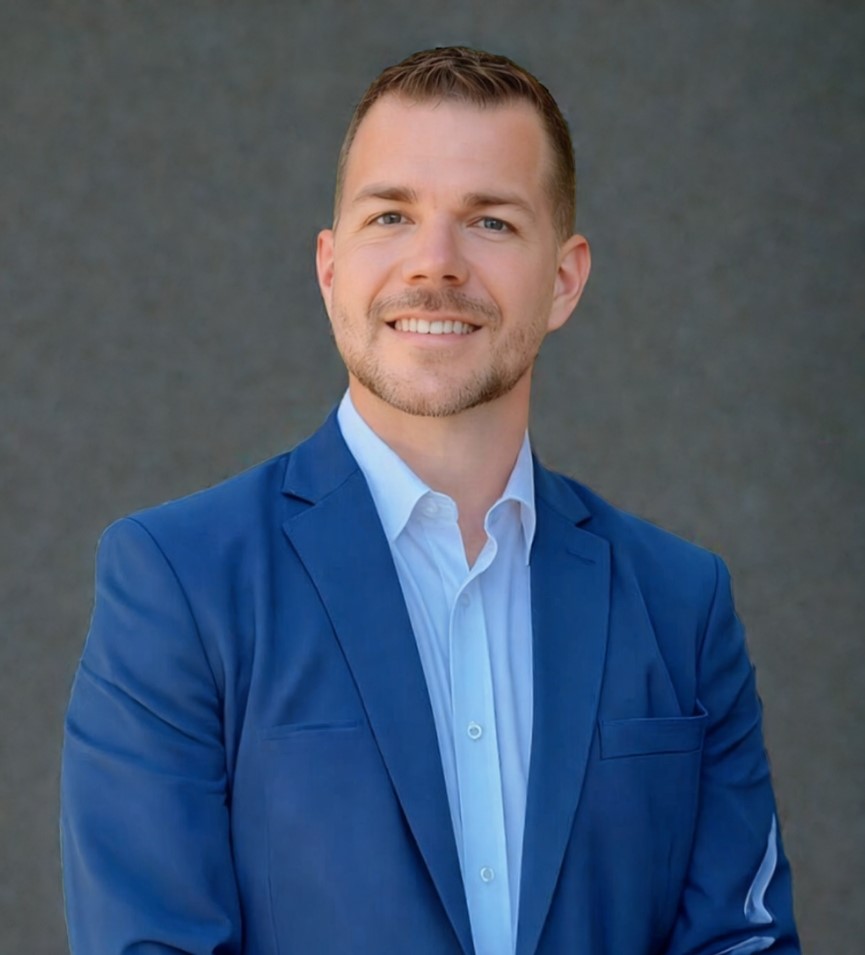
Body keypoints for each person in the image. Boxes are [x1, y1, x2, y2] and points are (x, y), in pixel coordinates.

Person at [60, 46, 800, 955]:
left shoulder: (681, 602)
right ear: (330, 267)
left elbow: (742, 942)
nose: (434, 264)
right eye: (391, 216)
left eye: (489, 221)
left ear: (563, 278)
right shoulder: (179, 581)